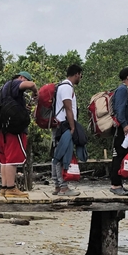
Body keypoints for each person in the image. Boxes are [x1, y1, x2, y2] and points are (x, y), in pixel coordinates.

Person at [0, 73, 37, 192]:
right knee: (13, 159)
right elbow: (31, 85)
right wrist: (35, 92)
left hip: (3, 129)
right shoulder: (15, 83)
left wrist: (23, 108)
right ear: (21, 77)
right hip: (14, 130)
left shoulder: (5, 89)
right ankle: (11, 188)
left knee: (4, 160)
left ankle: (5, 188)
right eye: (25, 79)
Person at [51, 63, 85, 194]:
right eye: (80, 75)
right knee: (62, 155)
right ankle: (63, 187)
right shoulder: (66, 87)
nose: (80, 78)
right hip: (64, 126)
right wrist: (72, 127)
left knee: (57, 154)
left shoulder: (61, 86)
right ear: (77, 74)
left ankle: (57, 186)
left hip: (60, 125)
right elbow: (68, 108)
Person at [109, 67, 128, 195]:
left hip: (127, 129)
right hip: (123, 129)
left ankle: (119, 184)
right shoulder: (122, 89)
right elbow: (119, 108)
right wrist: (124, 124)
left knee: (123, 155)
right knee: (119, 155)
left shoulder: (126, 90)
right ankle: (115, 185)